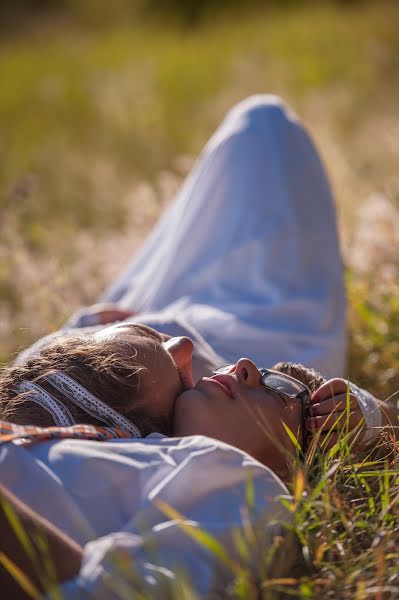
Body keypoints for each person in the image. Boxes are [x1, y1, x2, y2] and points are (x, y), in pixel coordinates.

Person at [0, 95, 395, 597]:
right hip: (203, 320)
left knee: (265, 125)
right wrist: (375, 418)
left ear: (289, 466)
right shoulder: (209, 445)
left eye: (282, 391)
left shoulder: (231, 480)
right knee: (263, 128)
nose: (252, 368)